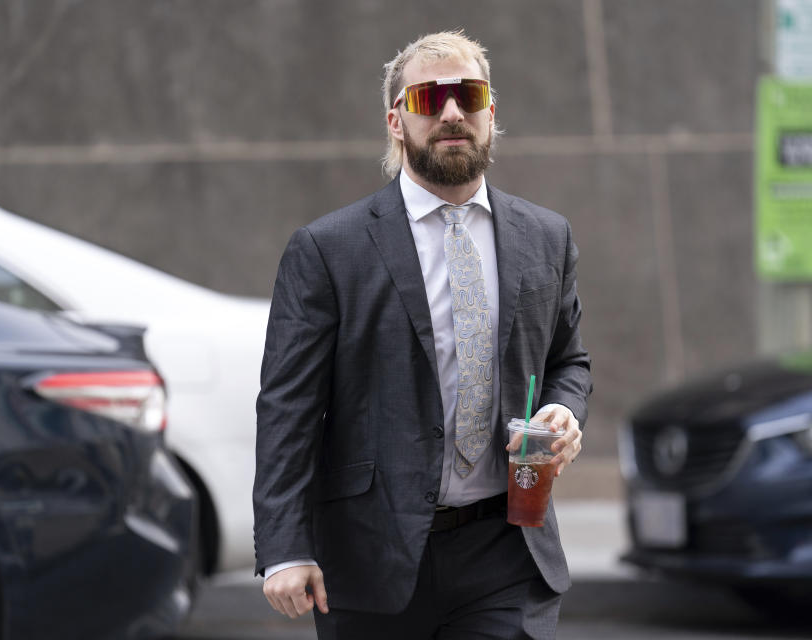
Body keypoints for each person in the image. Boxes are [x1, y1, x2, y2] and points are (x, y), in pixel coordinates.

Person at [253, 30, 592, 639]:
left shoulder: (546, 237)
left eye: (468, 95)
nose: (452, 113)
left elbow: (570, 359)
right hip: (370, 556)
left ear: (492, 111)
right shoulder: (329, 249)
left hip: (506, 549)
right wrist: (285, 546)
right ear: (395, 121)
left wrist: (564, 410)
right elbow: (289, 407)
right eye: (428, 100)